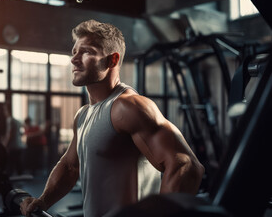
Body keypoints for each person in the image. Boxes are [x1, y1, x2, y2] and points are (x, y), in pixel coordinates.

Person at [20, 20, 205, 217]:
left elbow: (186, 166)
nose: (74, 59)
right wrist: (44, 200)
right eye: (74, 52)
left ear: (112, 60)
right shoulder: (83, 114)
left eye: (86, 52)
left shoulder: (127, 107)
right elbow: (70, 166)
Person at [2, 102, 24, 176]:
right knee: (18, 164)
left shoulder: (10, 120)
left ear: (7, 110)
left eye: (4, 110)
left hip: (13, 146)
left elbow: (9, 134)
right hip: (19, 145)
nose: (3, 112)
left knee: (10, 165)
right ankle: (21, 179)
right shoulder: (17, 121)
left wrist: (4, 145)